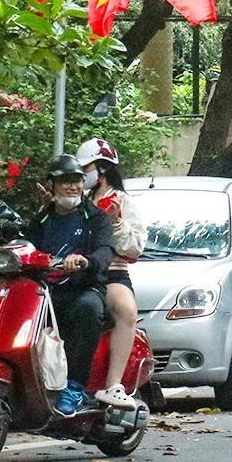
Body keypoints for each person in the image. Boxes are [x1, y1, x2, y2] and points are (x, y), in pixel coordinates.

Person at [27, 155, 115, 415]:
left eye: (77, 181)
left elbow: (105, 251)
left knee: (88, 308)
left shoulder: (96, 219)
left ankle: (74, 387)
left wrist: (86, 261)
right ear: (52, 185)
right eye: (65, 182)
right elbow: (22, 243)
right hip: (45, 293)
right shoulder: (42, 220)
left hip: (83, 290)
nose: (73, 187)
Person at [76, 138, 147, 409]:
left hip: (111, 275)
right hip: (77, 274)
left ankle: (114, 384)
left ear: (102, 169)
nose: (83, 176)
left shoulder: (122, 202)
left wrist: (116, 223)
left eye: (87, 169)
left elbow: (136, 246)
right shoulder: (78, 201)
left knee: (126, 311)